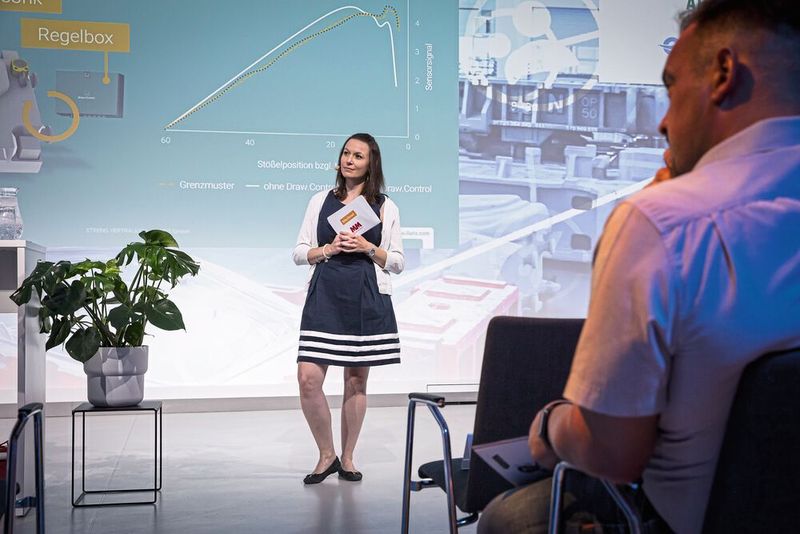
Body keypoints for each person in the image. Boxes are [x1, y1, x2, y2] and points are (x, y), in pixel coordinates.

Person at [479, 0, 800, 532]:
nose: (664, 120)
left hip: (671, 518)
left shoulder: (664, 224)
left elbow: (611, 453)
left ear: (723, 74)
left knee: (505, 519)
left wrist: (549, 425)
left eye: (672, 87)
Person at [292, 132, 404, 485]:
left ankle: (349, 457)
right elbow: (299, 253)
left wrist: (368, 246)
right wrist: (330, 249)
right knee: (308, 379)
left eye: (358, 155)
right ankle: (327, 456)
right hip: (324, 296)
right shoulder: (319, 200)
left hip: (364, 298)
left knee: (355, 381)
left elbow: (398, 262)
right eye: (346, 153)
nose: (350, 159)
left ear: (372, 164)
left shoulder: (385, 206)